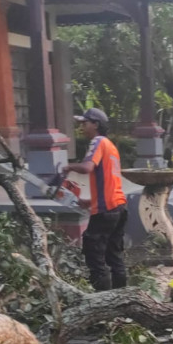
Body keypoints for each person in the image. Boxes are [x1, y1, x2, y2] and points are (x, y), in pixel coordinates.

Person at [62, 107, 128, 291]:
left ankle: (102, 301)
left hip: (106, 210)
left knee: (94, 254)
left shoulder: (97, 141)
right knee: (114, 255)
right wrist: (90, 201)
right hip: (119, 207)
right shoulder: (111, 147)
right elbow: (109, 182)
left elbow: (87, 167)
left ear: (96, 124)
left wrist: (68, 167)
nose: (82, 127)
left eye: (85, 123)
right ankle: (122, 297)